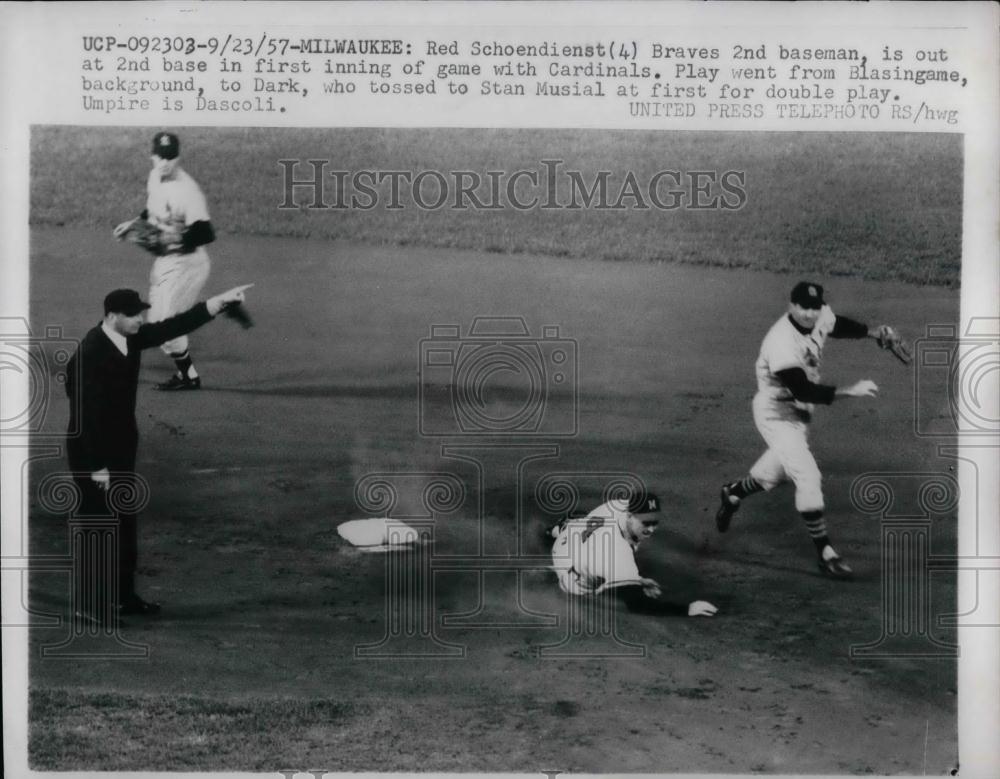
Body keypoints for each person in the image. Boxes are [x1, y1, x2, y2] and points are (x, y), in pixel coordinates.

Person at [65, 283, 252, 625]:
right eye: (133, 314)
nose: (140, 318)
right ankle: (89, 605)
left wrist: (217, 303)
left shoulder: (129, 337)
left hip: (120, 448)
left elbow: (172, 327)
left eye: (141, 312)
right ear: (111, 316)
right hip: (93, 454)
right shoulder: (91, 351)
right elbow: (83, 414)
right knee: (97, 525)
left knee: (123, 522)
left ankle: (122, 597)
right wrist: (96, 466)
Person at [714, 281, 882, 579]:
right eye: (802, 307)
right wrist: (850, 391)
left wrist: (874, 333)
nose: (809, 314)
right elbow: (803, 390)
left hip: (800, 413)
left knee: (777, 473)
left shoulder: (820, 316)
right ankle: (826, 553)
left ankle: (733, 492)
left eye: (814, 307)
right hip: (776, 413)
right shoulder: (780, 341)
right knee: (807, 474)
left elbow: (835, 324)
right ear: (790, 305)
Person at [114, 131, 216, 390]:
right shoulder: (154, 177)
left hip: (187, 265)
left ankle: (189, 377)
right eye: (161, 156)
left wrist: (170, 240)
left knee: (166, 330)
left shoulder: (187, 191)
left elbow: (205, 232)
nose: (165, 162)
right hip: (166, 262)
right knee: (158, 327)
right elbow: (154, 209)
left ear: (178, 158)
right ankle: (187, 376)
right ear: (153, 156)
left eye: (170, 157)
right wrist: (134, 224)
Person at [546, 489, 718, 617]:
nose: (651, 530)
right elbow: (637, 604)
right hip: (570, 577)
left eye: (654, 523)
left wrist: (638, 580)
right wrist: (688, 609)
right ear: (629, 516)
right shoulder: (618, 554)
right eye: (646, 524)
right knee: (610, 585)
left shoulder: (617, 506)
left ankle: (558, 528)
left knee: (582, 520)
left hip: (572, 537)